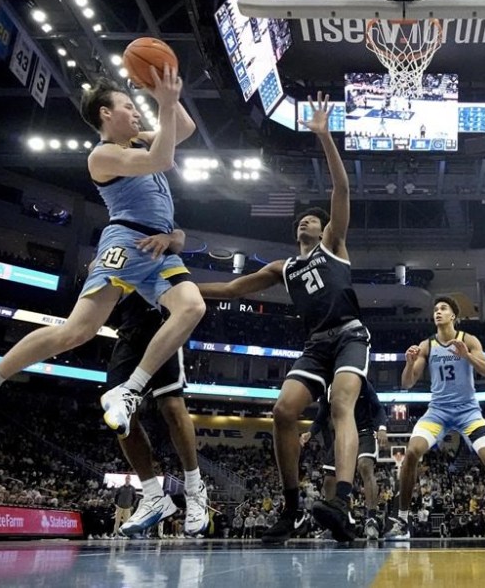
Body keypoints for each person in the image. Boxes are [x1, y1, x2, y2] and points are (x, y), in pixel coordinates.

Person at [0, 67, 206, 438]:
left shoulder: (140, 139)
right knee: (77, 332)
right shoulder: (102, 156)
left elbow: (184, 131)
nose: (137, 113)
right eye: (129, 105)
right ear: (106, 113)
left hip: (157, 247)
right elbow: (163, 159)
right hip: (125, 244)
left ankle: (129, 390)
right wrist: (167, 105)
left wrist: (164, 99)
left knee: (192, 307)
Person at [196, 92, 367, 544]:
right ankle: (291, 508)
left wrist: (325, 137)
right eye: (299, 223)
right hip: (316, 343)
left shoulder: (335, 244)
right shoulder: (282, 268)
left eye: (310, 220)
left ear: (323, 227)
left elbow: (342, 190)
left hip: (350, 334)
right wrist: (183, 288)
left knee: (341, 406)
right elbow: (232, 288)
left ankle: (340, 502)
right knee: (282, 410)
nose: (303, 224)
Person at [385, 296, 485, 541]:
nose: (438, 312)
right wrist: (409, 364)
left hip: (468, 412)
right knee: (410, 453)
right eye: (435, 309)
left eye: (443, 309)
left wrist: (467, 356)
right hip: (438, 412)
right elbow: (407, 383)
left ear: (453, 316)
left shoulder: (468, 340)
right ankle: (402, 520)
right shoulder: (427, 345)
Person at [100, 231, 208, 537]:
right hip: (128, 331)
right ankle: (152, 495)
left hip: (163, 327)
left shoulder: (155, 218)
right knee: (119, 417)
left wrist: (166, 238)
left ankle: (195, 488)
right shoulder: (117, 236)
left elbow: (180, 239)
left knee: (172, 406)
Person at [301, 380, 388, 539]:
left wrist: (381, 428)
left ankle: (371, 518)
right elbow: (321, 417)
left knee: (365, 466)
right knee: (328, 480)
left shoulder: (362, 383)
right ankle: (335, 521)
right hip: (342, 434)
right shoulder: (328, 388)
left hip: (365, 432)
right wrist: (310, 433)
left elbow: (378, 408)